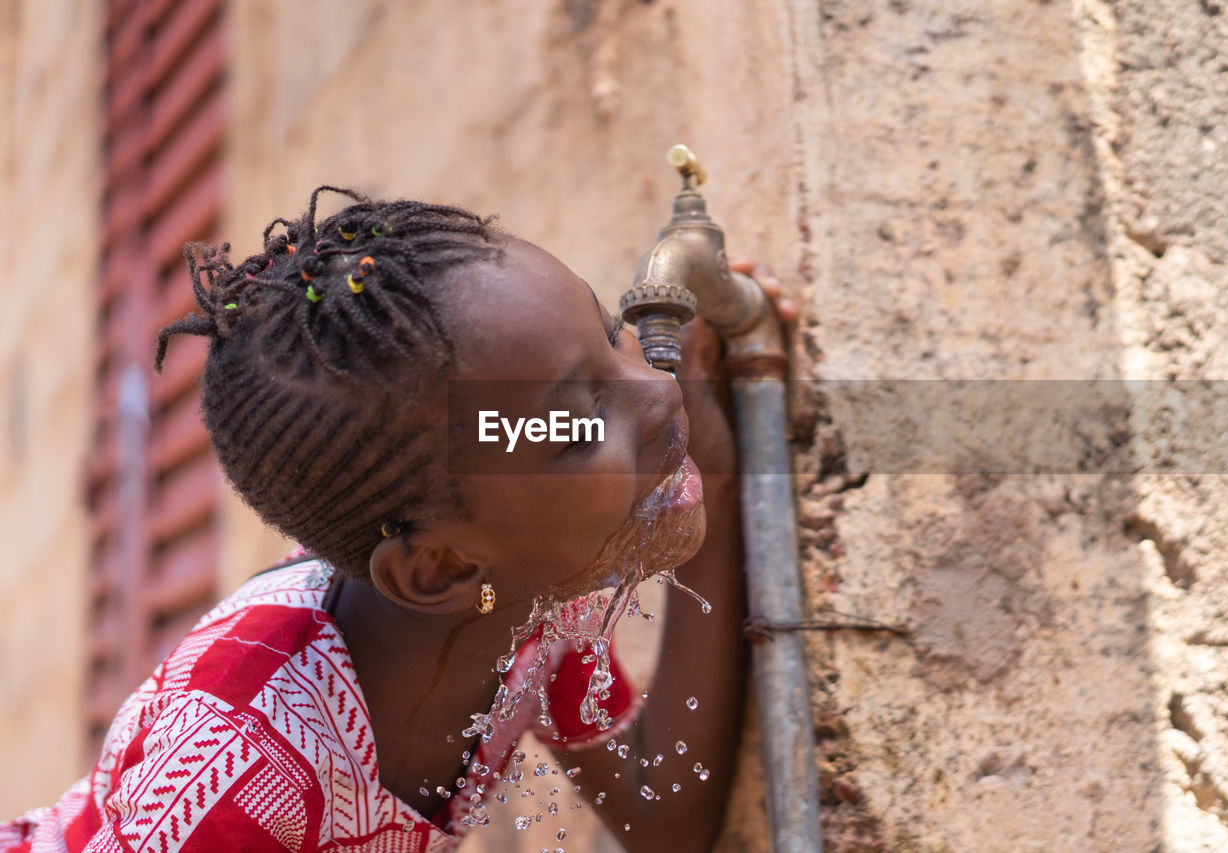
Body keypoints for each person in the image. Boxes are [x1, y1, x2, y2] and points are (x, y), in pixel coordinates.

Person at [0, 186, 794, 853]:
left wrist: (715, 480)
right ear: (439, 567)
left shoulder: (527, 595)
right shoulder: (235, 770)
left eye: (610, 336)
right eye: (576, 420)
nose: (655, 392)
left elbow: (664, 809)